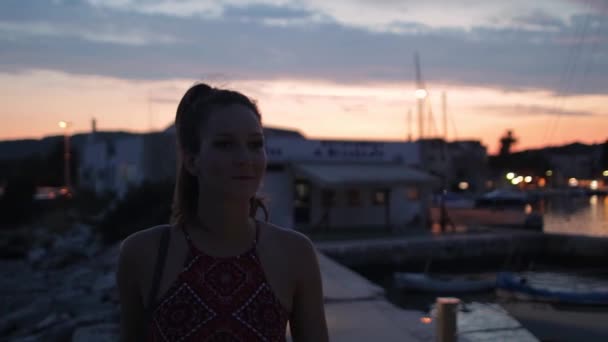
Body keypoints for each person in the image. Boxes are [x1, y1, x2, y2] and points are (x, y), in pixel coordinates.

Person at [117, 83, 329, 341]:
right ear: (192, 160)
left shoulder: (295, 253)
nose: (245, 158)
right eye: (225, 144)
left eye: (255, 144)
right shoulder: (143, 253)